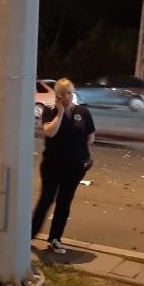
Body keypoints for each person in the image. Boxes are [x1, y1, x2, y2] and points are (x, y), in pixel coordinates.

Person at [31, 78, 95, 254]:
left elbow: (90, 136)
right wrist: (60, 113)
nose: (68, 97)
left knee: (64, 202)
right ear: (57, 96)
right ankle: (29, 234)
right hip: (52, 165)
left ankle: (55, 239)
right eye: (63, 94)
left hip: (74, 167)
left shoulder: (83, 112)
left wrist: (83, 153)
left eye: (70, 93)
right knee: (46, 199)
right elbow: (50, 132)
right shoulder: (49, 111)